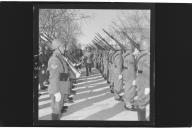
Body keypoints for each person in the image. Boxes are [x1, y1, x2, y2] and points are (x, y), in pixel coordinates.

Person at [47, 38, 70, 120]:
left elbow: (62, 72)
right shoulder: (54, 59)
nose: (65, 48)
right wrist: (56, 92)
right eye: (63, 46)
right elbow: (54, 77)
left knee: (58, 110)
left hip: (61, 87)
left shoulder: (60, 57)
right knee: (56, 111)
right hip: (57, 89)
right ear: (58, 47)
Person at [134, 38, 150, 121]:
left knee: (141, 99)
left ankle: (141, 120)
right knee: (143, 101)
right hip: (145, 81)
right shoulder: (147, 57)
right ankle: (142, 121)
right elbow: (148, 73)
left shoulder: (139, 55)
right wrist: (148, 86)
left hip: (140, 79)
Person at [122, 45, 137, 110]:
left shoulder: (127, 55)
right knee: (131, 89)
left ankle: (127, 102)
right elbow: (132, 68)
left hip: (127, 74)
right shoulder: (131, 57)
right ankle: (129, 104)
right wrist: (134, 78)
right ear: (131, 49)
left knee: (127, 88)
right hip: (130, 75)